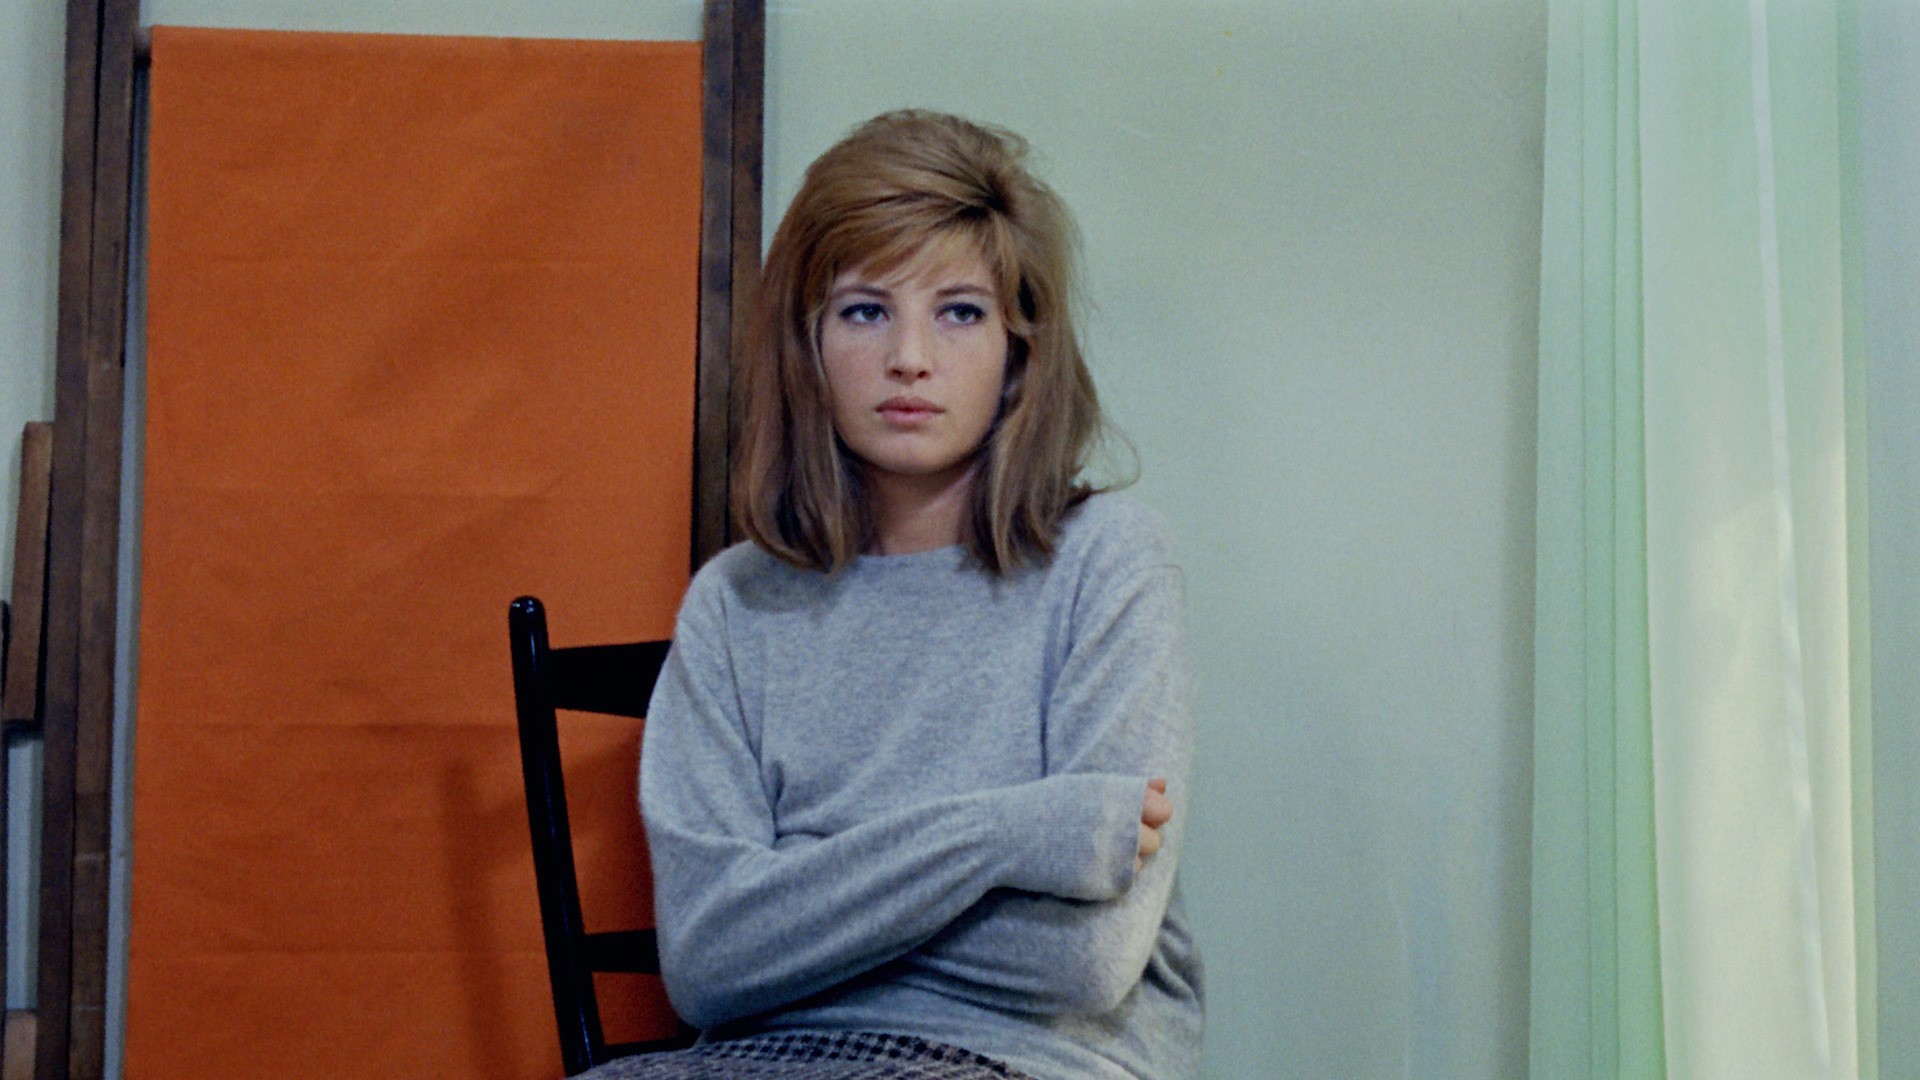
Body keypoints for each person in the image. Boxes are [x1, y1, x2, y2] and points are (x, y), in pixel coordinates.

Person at [582, 110, 1202, 1080]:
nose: (910, 356)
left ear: (1020, 351)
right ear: (808, 345)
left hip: (1027, 1059)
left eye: (960, 312)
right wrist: (1012, 835)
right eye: (866, 311)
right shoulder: (734, 604)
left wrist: (801, 910)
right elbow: (706, 966)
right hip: (761, 1060)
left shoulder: (1110, 562)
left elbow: (1085, 961)